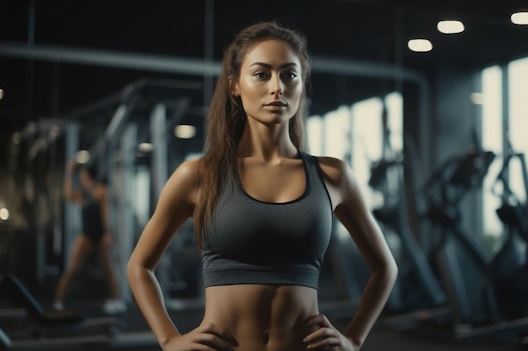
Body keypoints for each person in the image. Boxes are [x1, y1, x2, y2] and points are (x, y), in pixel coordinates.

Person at [127, 21, 398, 351]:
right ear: (234, 86)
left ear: (301, 85)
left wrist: (353, 339)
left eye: (289, 74)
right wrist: (168, 339)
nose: (277, 87)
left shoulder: (332, 176)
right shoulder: (199, 175)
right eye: (261, 74)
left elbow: (384, 268)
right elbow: (140, 266)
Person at [53, 160, 126, 314]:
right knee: (72, 270)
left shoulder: (101, 191)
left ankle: (117, 301)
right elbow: (67, 195)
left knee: (109, 270)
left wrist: (107, 233)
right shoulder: (82, 195)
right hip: (87, 235)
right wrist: (69, 172)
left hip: (101, 235)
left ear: (89, 176)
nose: (81, 179)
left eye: (83, 176)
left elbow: (106, 214)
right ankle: (58, 302)